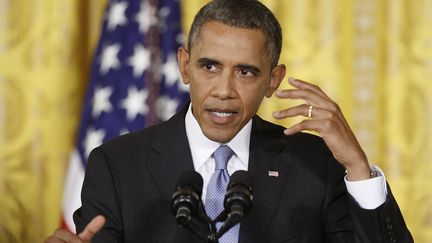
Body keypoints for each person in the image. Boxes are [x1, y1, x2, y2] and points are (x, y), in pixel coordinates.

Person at [46, 0, 413, 242]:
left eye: (246, 72)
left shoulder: (313, 164)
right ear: (184, 66)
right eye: (209, 66)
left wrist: (358, 169)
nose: (224, 90)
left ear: (273, 80)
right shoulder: (117, 165)